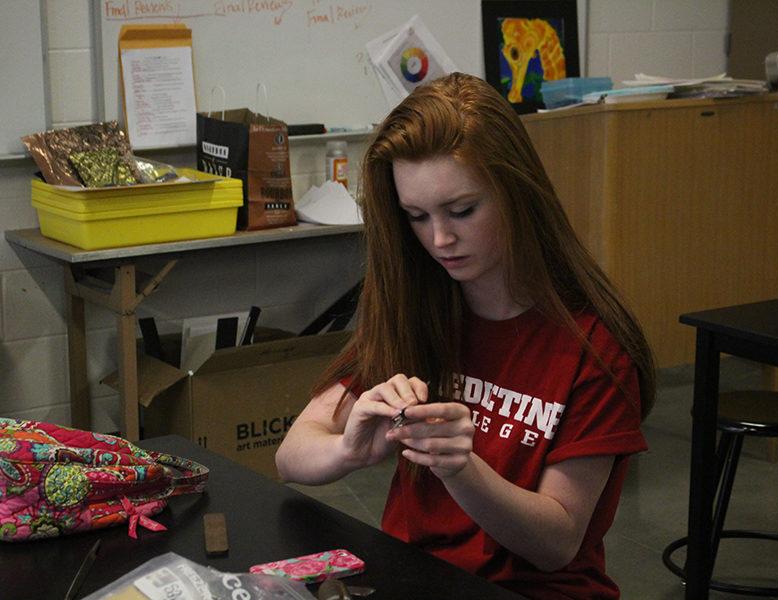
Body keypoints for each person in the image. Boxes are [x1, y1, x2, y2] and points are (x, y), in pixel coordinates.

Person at [276, 72, 656, 599]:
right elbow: (291, 455)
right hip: (416, 579)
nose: (440, 238)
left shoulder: (594, 345)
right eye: (417, 216)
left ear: (517, 192)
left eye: (462, 210)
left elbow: (557, 542)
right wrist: (351, 450)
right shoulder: (419, 312)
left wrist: (460, 468)